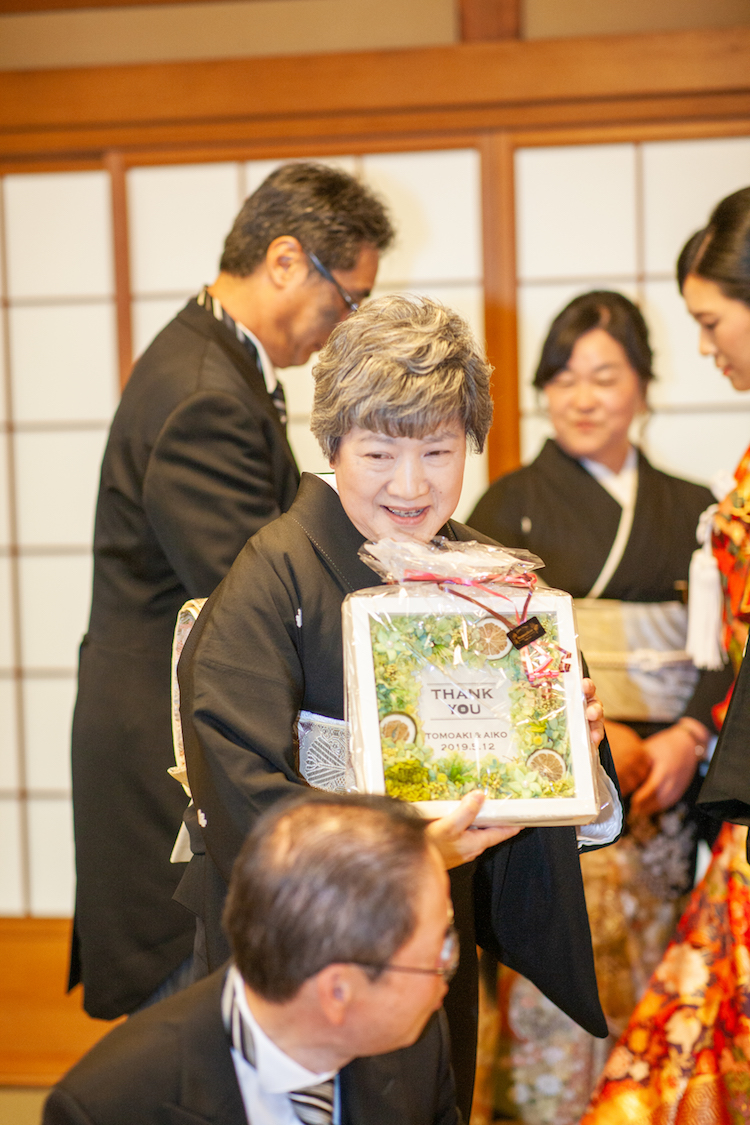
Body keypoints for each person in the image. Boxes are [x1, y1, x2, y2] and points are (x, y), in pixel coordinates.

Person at [175, 293, 621, 1120]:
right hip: (305, 954)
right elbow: (234, 778)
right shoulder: (273, 573)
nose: (412, 485)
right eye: (379, 451)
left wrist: (571, 749)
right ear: (335, 442)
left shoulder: (486, 573)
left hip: (426, 942)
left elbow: (550, 783)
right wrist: (407, 848)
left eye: (440, 451)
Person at [70, 161, 395, 1021]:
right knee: (192, 1030)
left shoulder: (218, 361)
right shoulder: (204, 393)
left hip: (170, 726)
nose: (342, 325)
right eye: (346, 298)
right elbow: (250, 600)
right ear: (286, 260)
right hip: (164, 756)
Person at [468, 291, 720, 1123]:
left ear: (644, 387)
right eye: (564, 377)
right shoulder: (504, 508)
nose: (582, 397)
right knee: (556, 1004)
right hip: (563, 792)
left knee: (664, 992)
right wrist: (593, 741)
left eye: (605, 376)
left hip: (672, 790)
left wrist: (690, 733)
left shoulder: (695, 510)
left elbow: (737, 643)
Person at [581, 186, 750, 1123]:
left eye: (712, 320)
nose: (706, 344)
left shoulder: (688, 489)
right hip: (636, 764)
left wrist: (691, 726)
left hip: (706, 752)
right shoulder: (524, 497)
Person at [43, 793, 461, 1125]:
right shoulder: (111, 1107)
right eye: (436, 958)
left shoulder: (416, 1041)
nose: (445, 980)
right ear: (337, 991)